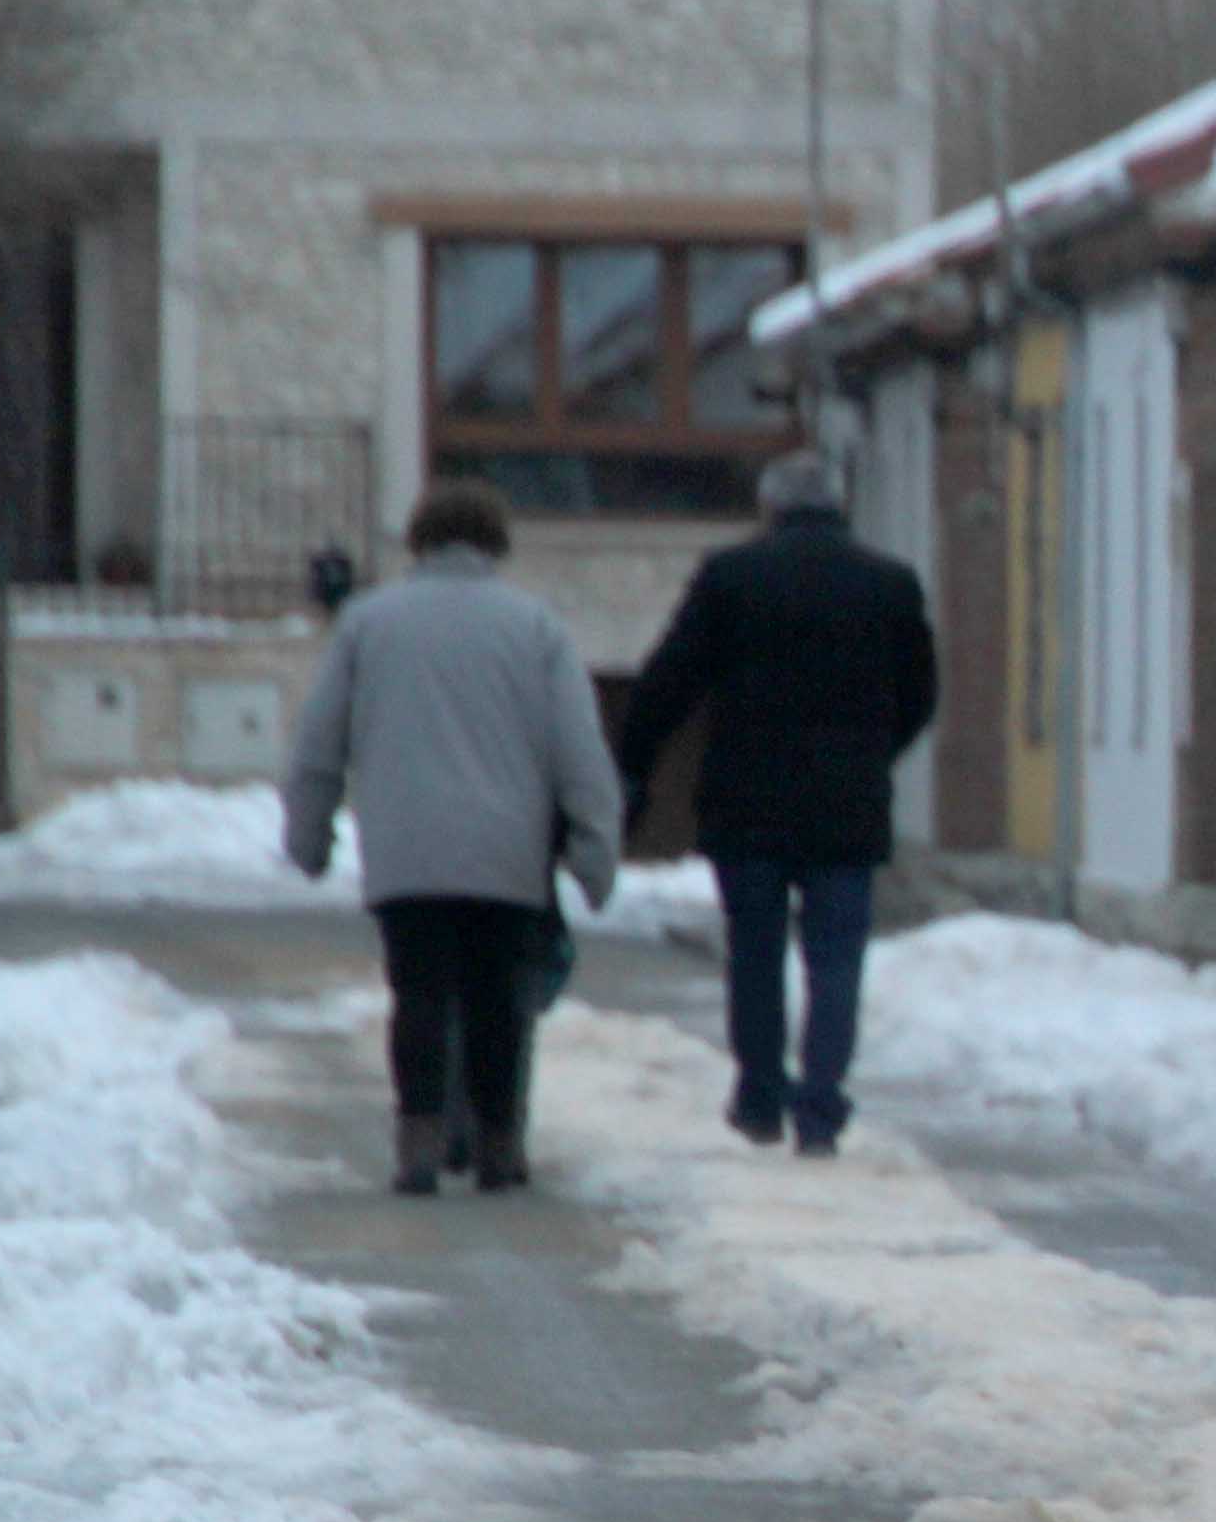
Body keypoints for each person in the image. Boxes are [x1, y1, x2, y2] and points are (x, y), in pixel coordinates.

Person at [279, 478, 623, 1194]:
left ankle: (420, 1143)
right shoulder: (535, 627)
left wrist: (309, 838)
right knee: (500, 999)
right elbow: (580, 752)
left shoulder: (368, 623)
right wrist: (595, 853)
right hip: (508, 852)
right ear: (496, 540)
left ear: (419, 539)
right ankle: (500, 1144)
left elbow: (318, 742)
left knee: (419, 994)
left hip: (406, 849)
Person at [617, 446, 937, 1157]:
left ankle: (760, 1097)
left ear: (770, 507)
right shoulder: (888, 584)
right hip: (848, 806)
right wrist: (872, 754)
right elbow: (920, 694)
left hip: (748, 804)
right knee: (836, 960)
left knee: (755, 955)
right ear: (840, 505)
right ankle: (821, 1107)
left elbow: (669, 681)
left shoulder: (731, 576)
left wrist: (634, 766)